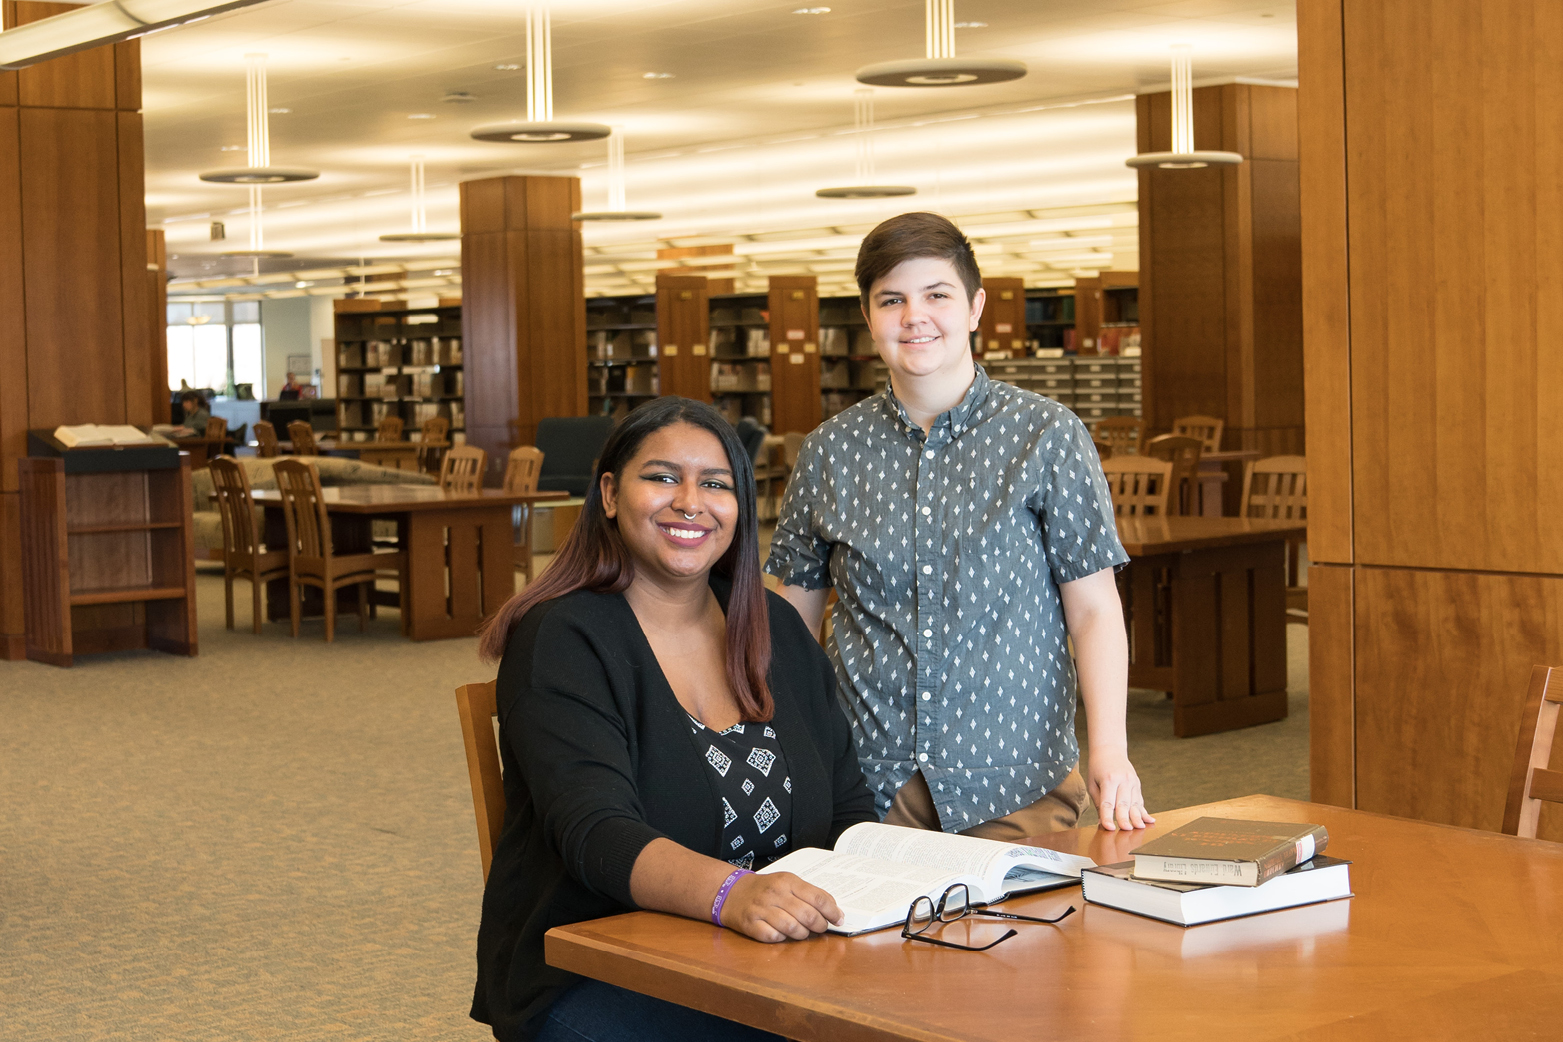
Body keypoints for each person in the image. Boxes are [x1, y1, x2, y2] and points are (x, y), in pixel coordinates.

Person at [471, 397, 876, 1042]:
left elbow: (849, 804)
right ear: (609, 493)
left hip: (771, 959)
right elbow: (596, 833)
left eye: (715, 484)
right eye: (662, 477)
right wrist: (732, 895)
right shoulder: (564, 639)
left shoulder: (775, 632)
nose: (691, 501)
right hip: (602, 971)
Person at [767, 211, 1155, 840]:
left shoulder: (1047, 437)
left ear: (974, 307)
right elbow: (793, 624)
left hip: (1014, 780)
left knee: (1023, 936)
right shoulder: (828, 452)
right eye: (891, 300)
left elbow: (1094, 610)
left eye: (936, 295)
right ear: (868, 317)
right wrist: (793, 753)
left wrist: (1110, 750)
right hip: (864, 783)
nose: (914, 316)